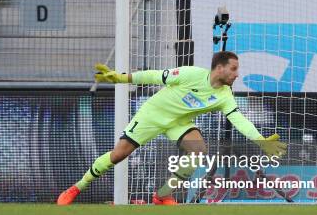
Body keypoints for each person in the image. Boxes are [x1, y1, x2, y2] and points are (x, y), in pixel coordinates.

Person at [57, 52, 287, 205]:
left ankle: (162, 196)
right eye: (234, 69)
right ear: (219, 68)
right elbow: (155, 76)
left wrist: (261, 139)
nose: (237, 74)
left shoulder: (224, 95)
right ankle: (76, 188)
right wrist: (121, 78)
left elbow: (239, 119)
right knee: (119, 155)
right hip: (153, 115)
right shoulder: (191, 74)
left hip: (179, 123)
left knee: (198, 152)